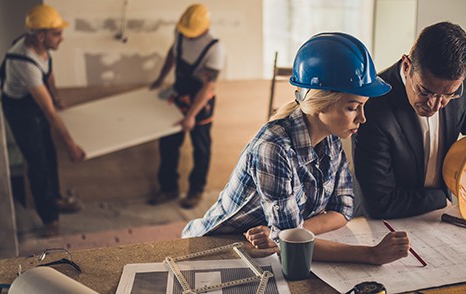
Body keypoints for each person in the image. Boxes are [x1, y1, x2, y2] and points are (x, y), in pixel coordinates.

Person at [182, 32, 410, 265]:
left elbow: (343, 211)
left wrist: (282, 231)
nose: (362, 118)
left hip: (255, 246)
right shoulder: (273, 147)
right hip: (210, 246)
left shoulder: (331, 139)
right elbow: (292, 245)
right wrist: (370, 254)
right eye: (353, 108)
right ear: (321, 103)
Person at [352, 21, 466, 219]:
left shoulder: (461, 85)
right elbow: (379, 202)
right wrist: (441, 198)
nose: (435, 104)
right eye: (425, 91)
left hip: (438, 217)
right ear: (407, 66)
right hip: (382, 224)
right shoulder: (372, 105)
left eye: (448, 95)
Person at [0, 4, 86, 237]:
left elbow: (47, 70)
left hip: (34, 100)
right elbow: (49, 113)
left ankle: (55, 199)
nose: (62, 38)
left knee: (48, 152)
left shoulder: (41, 46)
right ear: (40, 36)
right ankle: (49, 220)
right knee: (37, 163)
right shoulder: (24, 61)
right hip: (20, 110)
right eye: (57, 34)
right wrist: (71, 145)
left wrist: (55, 96)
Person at [149, 4, 225, 209]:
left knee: (200, 147)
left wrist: (191, 115)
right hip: (178, 94)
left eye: (192, 33)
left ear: (205, 28)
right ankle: (168, 188)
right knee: (168, 144)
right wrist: (160, 79)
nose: (188, 36)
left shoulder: (215, 48)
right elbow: (172, 54)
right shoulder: (180, 33)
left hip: (202, 101)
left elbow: (209, 85)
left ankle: (195, 191)